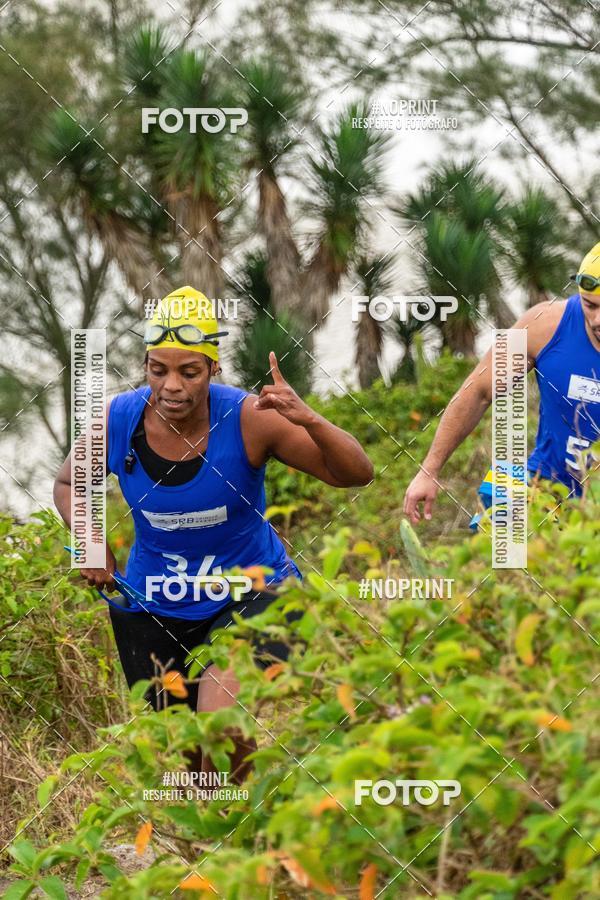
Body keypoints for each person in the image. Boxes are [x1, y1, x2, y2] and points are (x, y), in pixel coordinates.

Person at [54, 285, 373, 781]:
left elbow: (355, 473)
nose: (172, 386)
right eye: (158, 369)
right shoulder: (120, 419)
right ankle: (201, 845)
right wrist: (90, 543)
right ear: (145, 366)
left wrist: (308, 417)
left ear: (213, 369)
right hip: (157, 600)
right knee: (182, 756)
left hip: (252, 590)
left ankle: (234, 835)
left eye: (189, 371)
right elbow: (70, 482)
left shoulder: (248, 419)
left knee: (219, 725)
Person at [404, 242, 600, 525]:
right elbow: (478, 392)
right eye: (590, 305)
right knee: (486, 547)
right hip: (543, 483)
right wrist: (429, 470)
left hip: (592, 505)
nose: (596, 319)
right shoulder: (545, 324)